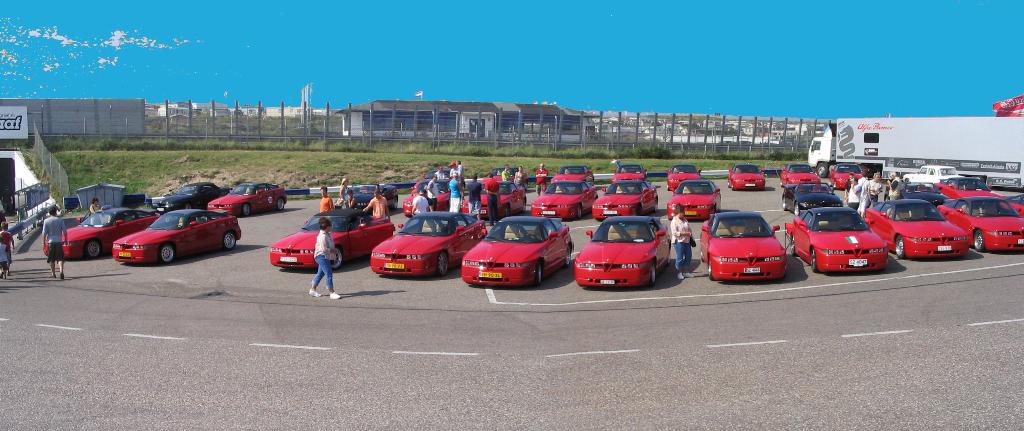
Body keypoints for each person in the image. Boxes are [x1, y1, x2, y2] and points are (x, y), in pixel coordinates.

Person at [309, 217, 341, 300]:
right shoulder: (322, 236)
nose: (331, 227)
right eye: (330, 226)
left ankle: (312, 289)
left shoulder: (328, 233)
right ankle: (331, 292)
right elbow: (324, 249)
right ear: (327, 227)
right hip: (321, 256)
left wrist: (333, 253)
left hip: (325, 256)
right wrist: (333, 250)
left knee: (321, 273)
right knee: (329, 273)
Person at [41, 206, 67, 279]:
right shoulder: (60, 220)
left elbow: (44, 233)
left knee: (51, 259)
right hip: (59, 241)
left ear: (49, 213)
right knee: (60, 258)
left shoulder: (46, 221)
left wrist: (43, 243)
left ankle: (53, 273)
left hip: (50, 242)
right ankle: (61, 271)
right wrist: (66, 240)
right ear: (56, 212)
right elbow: (65, 231)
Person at [670, 204, 694, 280]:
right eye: (682, 212)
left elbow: (689, 228)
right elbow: (675, 233)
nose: (683, 214)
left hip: (686, 240)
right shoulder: (674, 221)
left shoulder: (684, 219)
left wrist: (690, 235)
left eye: (683, 212)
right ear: (678, 212)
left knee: (688, 255)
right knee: (680, 257)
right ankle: (679, 272)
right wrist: (686, 233)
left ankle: (686, 272)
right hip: (678, 241)